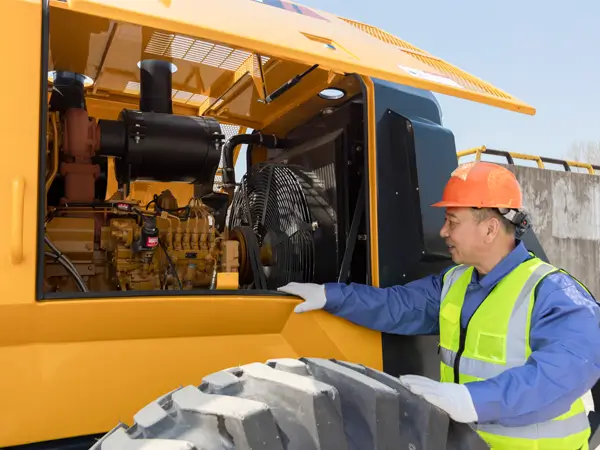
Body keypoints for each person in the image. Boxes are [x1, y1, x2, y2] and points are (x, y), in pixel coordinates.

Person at [278, 161, 600, 450]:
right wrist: (329, 295)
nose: (443, 231)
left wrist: (471, 400)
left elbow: (565, 371)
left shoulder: (552, 292)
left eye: (452, 221)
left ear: (489, 228)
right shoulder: (455, 282)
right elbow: (396, 305)